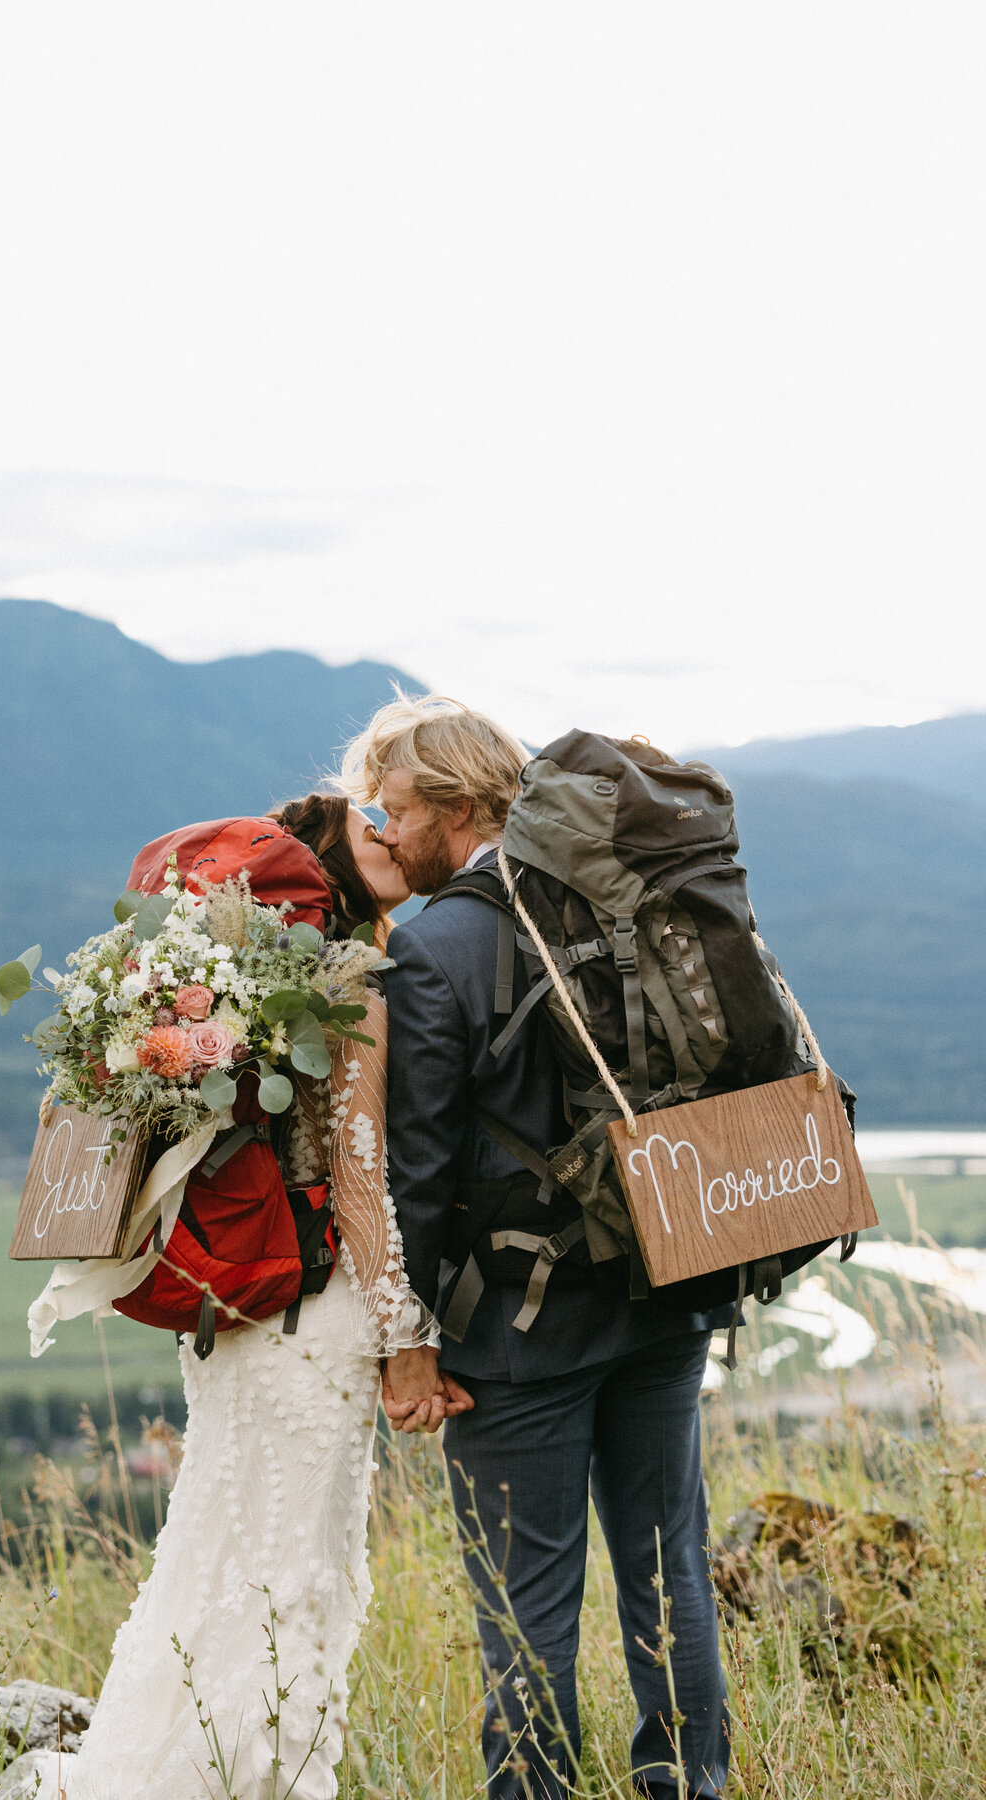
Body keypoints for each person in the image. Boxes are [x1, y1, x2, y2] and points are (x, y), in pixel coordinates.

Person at [22, 794, 451, 1800]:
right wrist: (407, 1338)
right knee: (292, 1584)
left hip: (231, 1302)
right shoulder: (342, 984)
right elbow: (359, 1184)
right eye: (375, 813)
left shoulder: (246, 991)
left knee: (213, 1561)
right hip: (316, 1318)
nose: (392, 830)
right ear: (324, 852)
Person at [344, 694, 732, 1800]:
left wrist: (405, 1338)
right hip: (665, 1284)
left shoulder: (437, 950)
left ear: (459, 806)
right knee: (669, 1571)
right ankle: (687, 1786)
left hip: (520, 1332)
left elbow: (413, 1174)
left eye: (398, 805)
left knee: (526, 1610)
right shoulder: (626, 904)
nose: (386, 827)